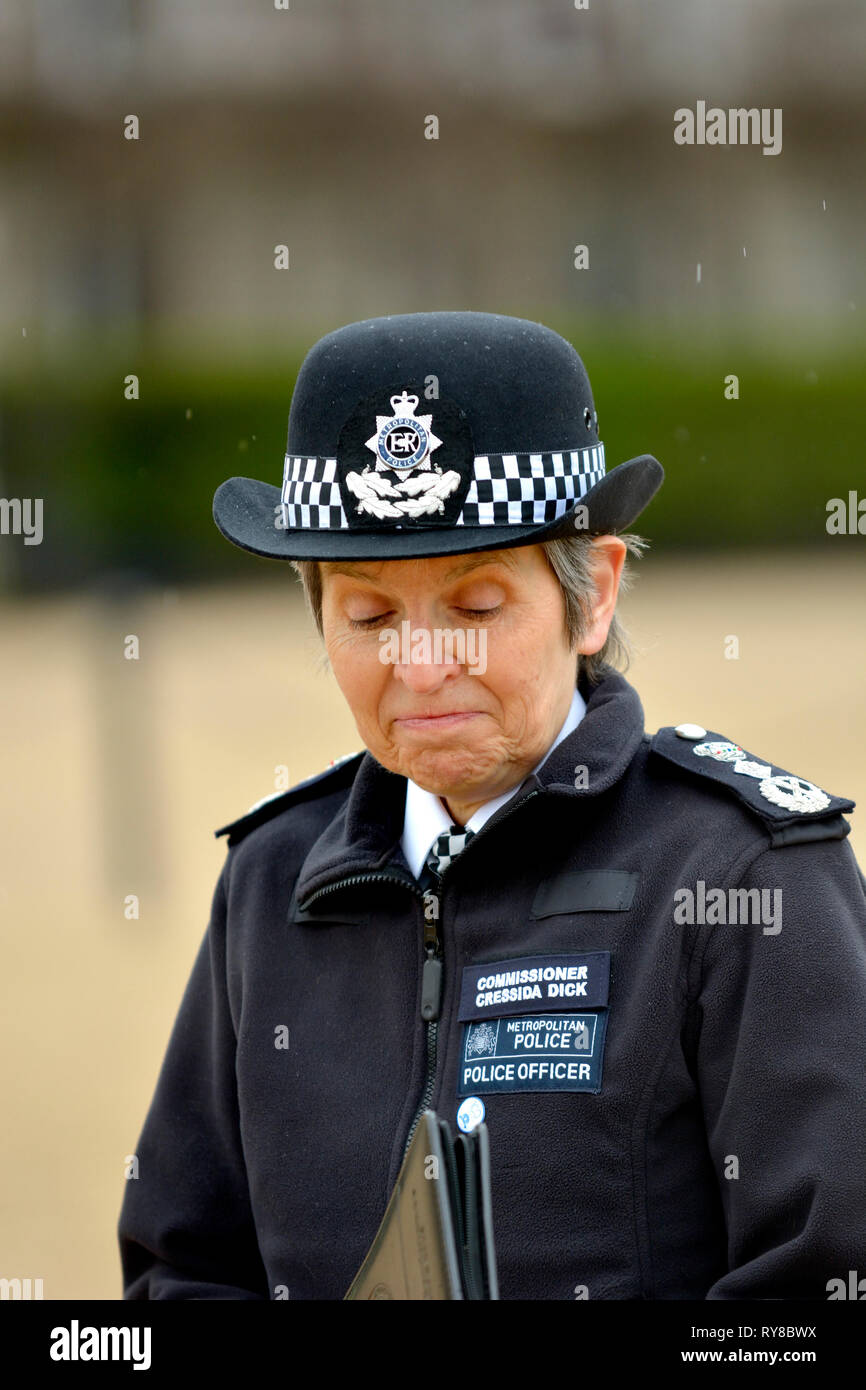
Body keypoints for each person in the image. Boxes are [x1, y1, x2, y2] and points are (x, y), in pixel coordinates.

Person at [118, 311, 866, 1300]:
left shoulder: (744, 871)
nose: (422, 666)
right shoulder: (269, 881)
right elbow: (181, 1268)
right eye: (368, 614)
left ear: (592, 595)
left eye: (474, 608)